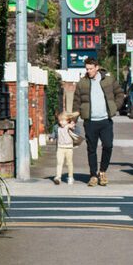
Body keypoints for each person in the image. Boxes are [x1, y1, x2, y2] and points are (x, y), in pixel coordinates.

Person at [72, 56, 126, 186]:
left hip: (105, 120)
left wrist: (115, 107)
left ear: (97, 67)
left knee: (108, 146)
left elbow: (120, 94)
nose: (88, 71)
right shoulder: (82, 83)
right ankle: (93, 175)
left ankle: (102, 171)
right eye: (87, 69)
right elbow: (76, 102)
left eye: (91, 68)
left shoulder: (108, 80)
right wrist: (73, 119)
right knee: (91, 149)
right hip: (90, 121)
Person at [50, 111, 79, 185]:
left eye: (63, 120)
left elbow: (77, 132)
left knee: (69, 163)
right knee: (59, 163)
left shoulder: (70, 126)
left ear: (68, 120)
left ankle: (70, 177)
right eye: (60, 120)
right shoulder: (56, 127)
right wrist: (52, 138)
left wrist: (73, 126)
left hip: (69, 148)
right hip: (60, 148)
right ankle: (58, 177)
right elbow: (54, 133)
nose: (61, 122)